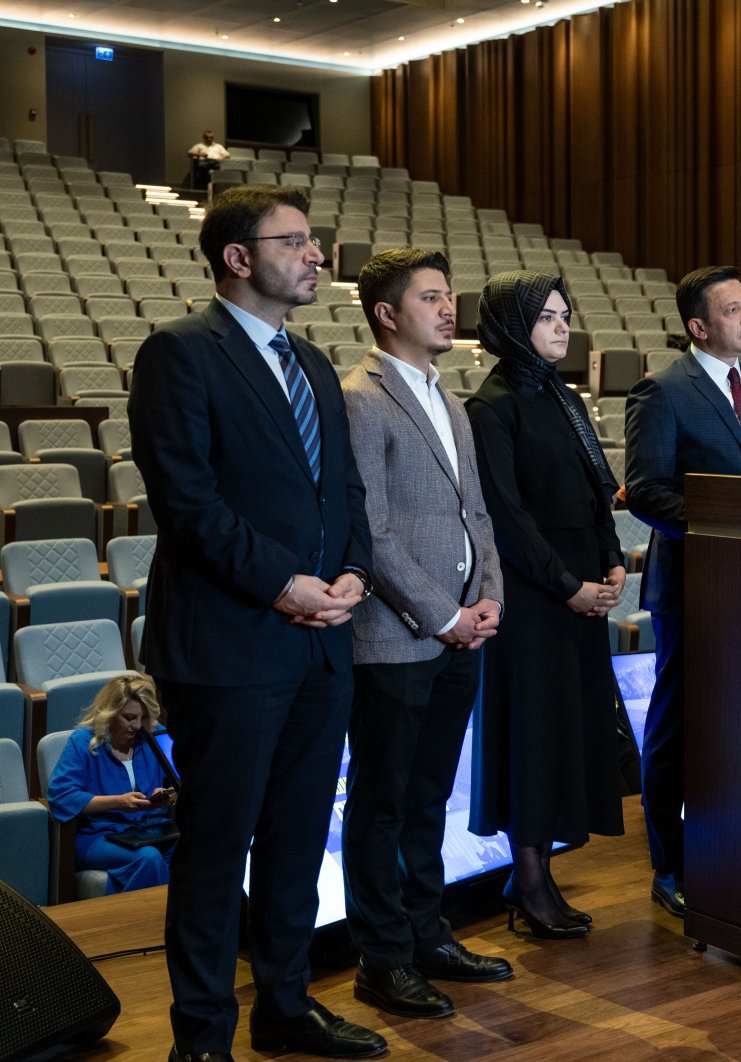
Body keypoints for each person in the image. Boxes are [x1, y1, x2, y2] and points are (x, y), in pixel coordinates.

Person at [128, 184, 384, 1062]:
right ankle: (201, 1037)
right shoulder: (180, 353)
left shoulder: (312, 361)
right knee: (215, 848)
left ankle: (286, 1007)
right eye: (296, 242)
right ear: (239, 258)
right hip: (232, 642)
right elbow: (188, 505)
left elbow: (342, 492)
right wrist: (284, 584)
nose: (317, 256)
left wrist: (352, 571)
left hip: (322, 641)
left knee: (298, 840)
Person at [339, 248, 509, 1022]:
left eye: (450, 296)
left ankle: (427, 934)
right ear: (386, 312)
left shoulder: (450, 397)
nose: (450, 310)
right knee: (381, 803)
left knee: (428, 799)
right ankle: (383, 959)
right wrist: (445, 614)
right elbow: (369, 531)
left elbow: (476, 513)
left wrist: (489, 601)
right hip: (398, 637)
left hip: (461, 633)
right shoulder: (359, 398)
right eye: (432, 297)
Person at [467, 270, 626, 938]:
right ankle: (527, 876)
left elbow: (596, 491)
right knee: (532, 734)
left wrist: (613, 560)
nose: (563, 326)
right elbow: (505, 516)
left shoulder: (563, 397)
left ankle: (538, 872)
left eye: (565, 315)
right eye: (547, 317)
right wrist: (568, 584)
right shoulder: (492, 405)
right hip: (534, 595)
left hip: (580, 588)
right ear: (511, 326)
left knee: (566, 731)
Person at [624, 265, 741, 916]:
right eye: (732, 310)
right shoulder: (662, 391)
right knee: (680, 727)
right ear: (698, 326)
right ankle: (672, 865)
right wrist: (727, 523)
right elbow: (645, 492)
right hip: (695, 586)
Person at [46, 675, 176, 895]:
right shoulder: (83, 741)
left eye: (143, 717)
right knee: (149, 858)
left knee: (192, 849)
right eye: (129, 717)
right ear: (110, 713)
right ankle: (136, 925)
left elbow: (179, 782)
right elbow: (61, 796)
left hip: (147, 829)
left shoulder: (153, 734)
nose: (136, 726)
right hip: (98, 836)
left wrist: (168, 795)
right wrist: (117, 802)